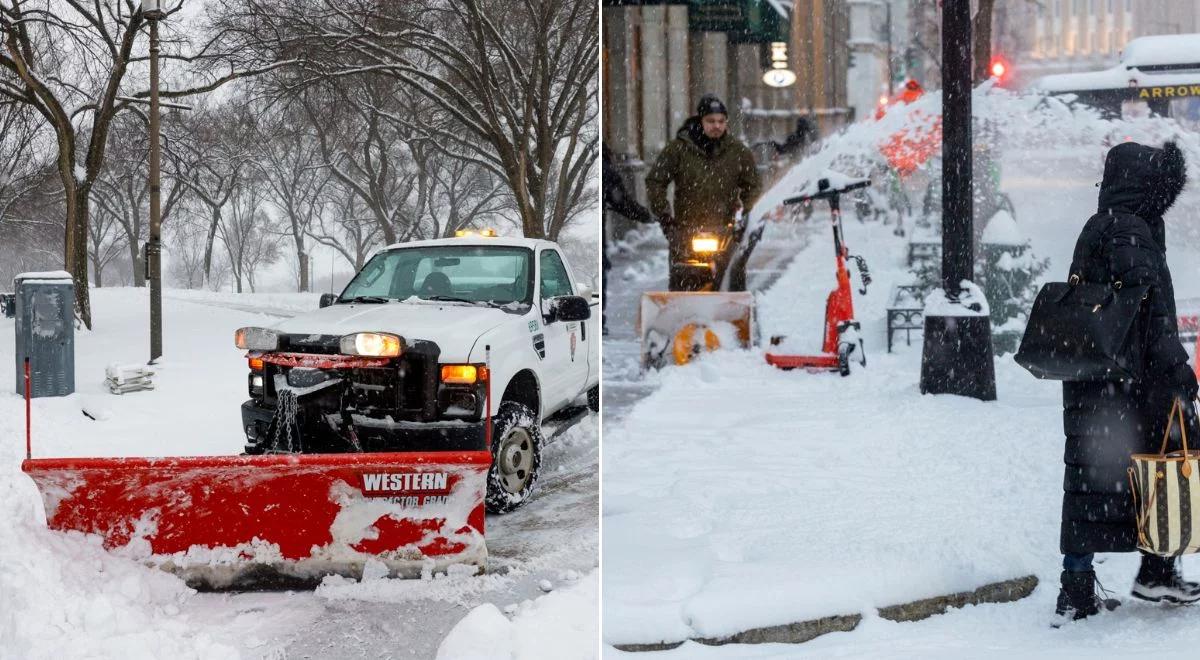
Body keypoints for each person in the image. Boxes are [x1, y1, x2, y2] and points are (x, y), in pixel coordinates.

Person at [1055, 140, 1200, 625]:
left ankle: (1077, 588)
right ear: (1142, 187)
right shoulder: (1129, 231)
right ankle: (1156, 572)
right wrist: (1180, 372)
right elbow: (1152, 315)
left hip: (1096, 382)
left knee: (1087, 485)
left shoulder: (1103, 225)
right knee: (1164, 463)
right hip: (1132, 384)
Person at [645, 94, 761, 290]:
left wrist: (746, 214)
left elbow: (753, 185)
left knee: (730, 282)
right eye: (711, 121)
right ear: (700, 121)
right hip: (685, 232)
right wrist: (665, 216)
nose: (716, 126)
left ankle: (730, 318)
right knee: (685, 282)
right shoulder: (678, 150)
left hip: (726, 232)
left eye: (721, 121)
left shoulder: (738, 152)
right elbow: (655, 181)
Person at [602, 145, 655, 333]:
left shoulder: (603, 169)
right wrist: (647, 216)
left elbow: (620, 202)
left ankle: (600, 317)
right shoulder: (606, 171)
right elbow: (622, 202)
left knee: (601, 267)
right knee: (601, 267)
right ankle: (600, 317)